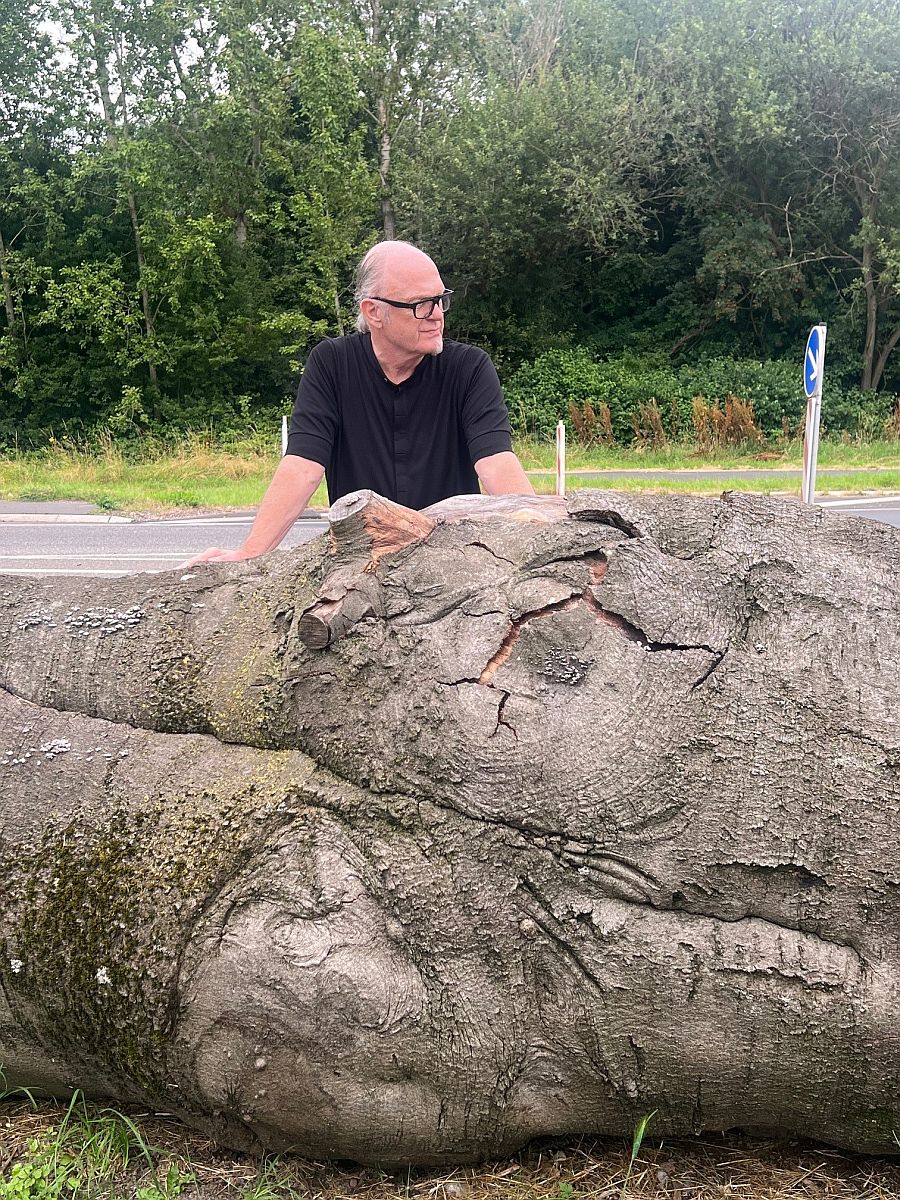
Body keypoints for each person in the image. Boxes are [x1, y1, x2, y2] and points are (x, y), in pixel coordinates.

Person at [184, 240, 534, 566]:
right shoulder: (332, 364)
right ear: (374, 312)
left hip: (451, 563)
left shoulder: (469, 368)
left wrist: (545, 541)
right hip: (359, 568)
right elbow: (303, 466)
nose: (437, 314)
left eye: (440, 299)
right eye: (420, 304)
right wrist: (249, 555)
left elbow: (496, 463)